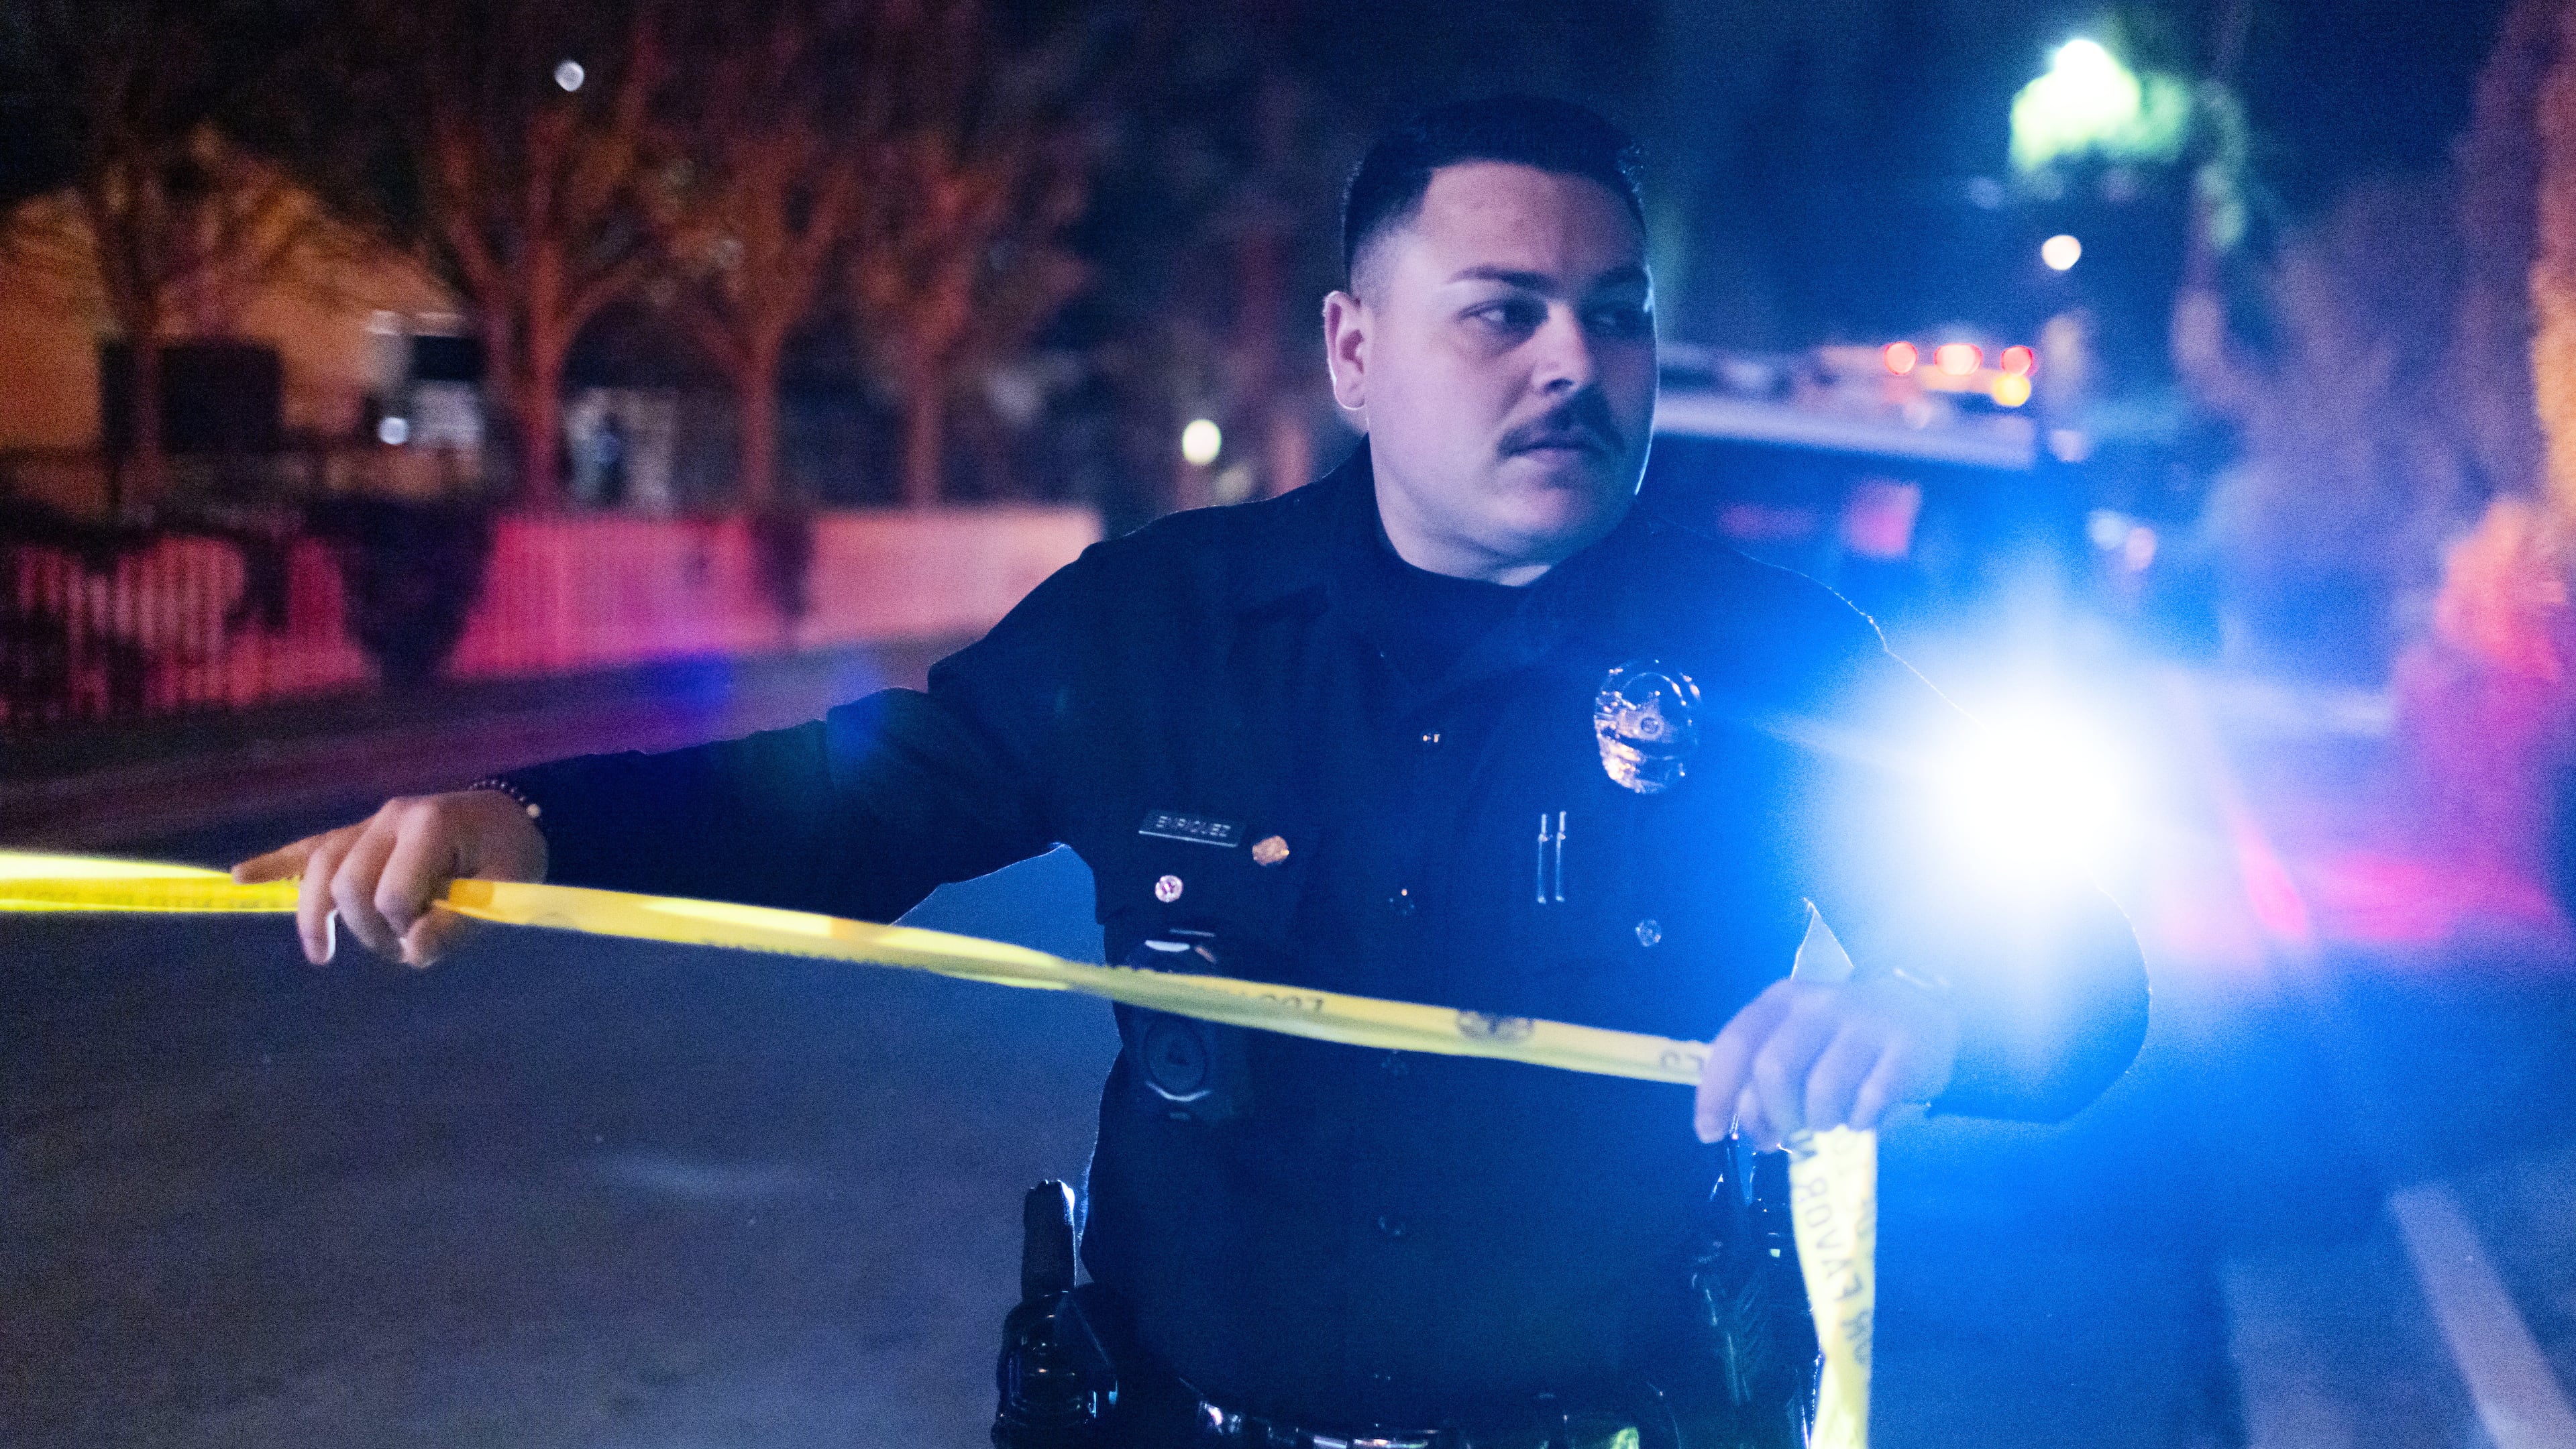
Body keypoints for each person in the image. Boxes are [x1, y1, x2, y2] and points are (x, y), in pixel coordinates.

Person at [236, 96, 2147, 1448]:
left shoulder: (1780, 659)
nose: (1577, 360)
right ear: (1356, 347)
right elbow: (851, 801)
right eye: (1504, 309)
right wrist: (533, 829)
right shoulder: (1157, 625)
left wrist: (1941, 1002)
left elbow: (2088, 992)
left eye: (1617, 311)